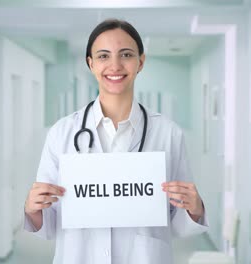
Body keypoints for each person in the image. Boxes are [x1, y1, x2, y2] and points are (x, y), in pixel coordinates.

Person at [24, 18, 208, 264]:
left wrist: (195, 208)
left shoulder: (168, 133)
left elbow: (178, 222)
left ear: (140, 62)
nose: (115, 65)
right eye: (103, 56)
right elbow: (48, 223)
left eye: (126, 54)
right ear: (90, 63)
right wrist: (33, 209)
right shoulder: (62, 133)